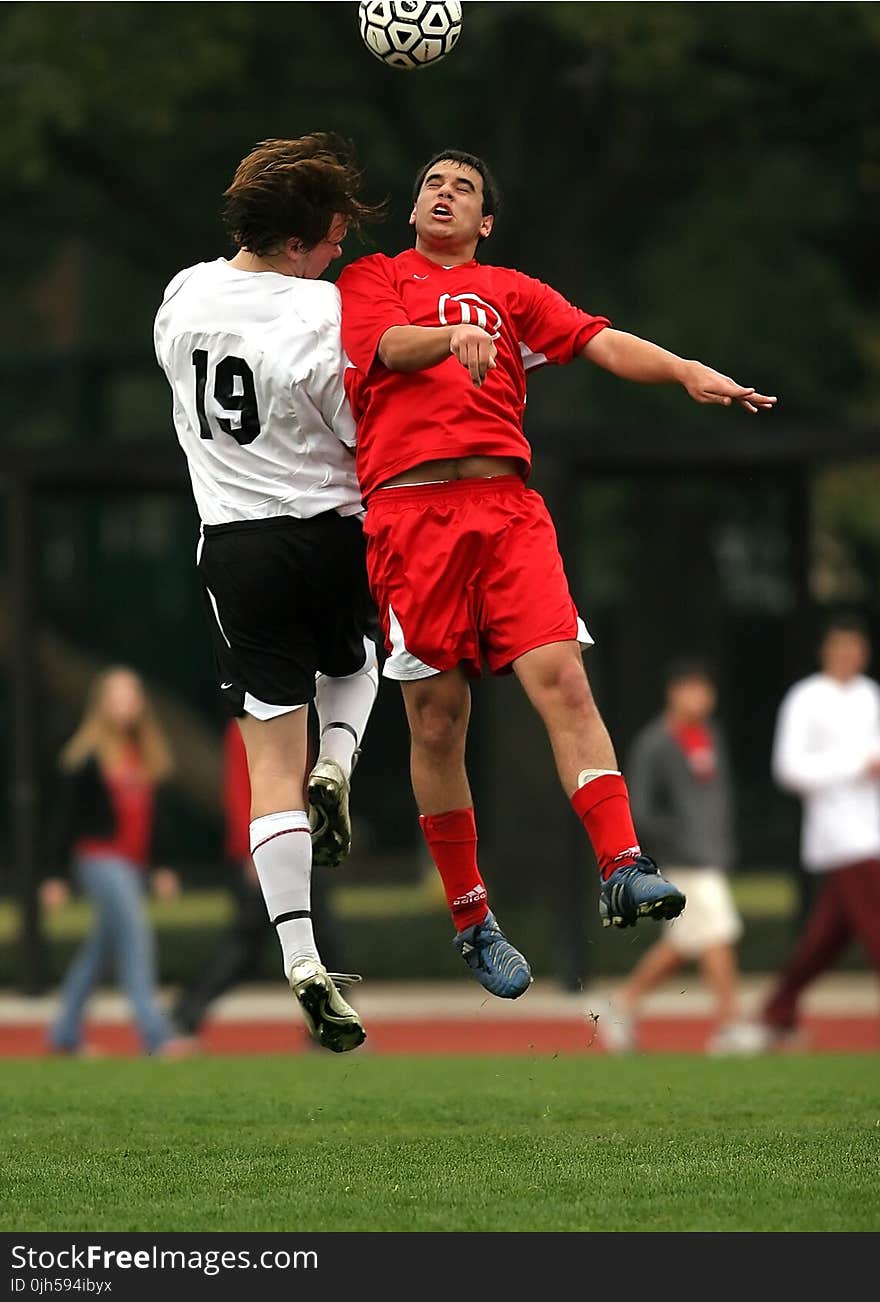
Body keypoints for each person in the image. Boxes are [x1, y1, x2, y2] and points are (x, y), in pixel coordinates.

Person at [337, 148, 776, 998]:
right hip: (410, 516)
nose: (443, 193)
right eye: (433, 183)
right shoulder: (377, 276)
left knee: (564, 682)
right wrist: (449, 337)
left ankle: (623, 863)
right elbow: (386, 346)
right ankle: (473, 919)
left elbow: (601, 341)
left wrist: (684, 370)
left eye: (463, 188)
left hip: (506, 510)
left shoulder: (512, 291)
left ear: (486, 222)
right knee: (435, 723)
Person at [154, 134, 382, 1052]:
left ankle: (299, 957)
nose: (339, 254)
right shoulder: (322, 312)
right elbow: (354, 429)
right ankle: (344, 761)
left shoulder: (181, 295)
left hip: (235, 551)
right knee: (361, 660)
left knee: (266, 772)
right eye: (332, 239)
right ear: (299, 244)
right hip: (329, 530)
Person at [601, 660, 761, 1055]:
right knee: (720, 933)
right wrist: (675, 844)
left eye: (704, 689)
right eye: (691, 688)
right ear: (673, 692)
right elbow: (642, 809)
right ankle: (729, 1024)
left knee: (684, 946)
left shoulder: (709, 735)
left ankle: (620, 1007)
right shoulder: (656, 742)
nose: (700, 697)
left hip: (708, 855)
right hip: (683, 859)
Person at [41, 667, 187, 1057]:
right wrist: (54, 876)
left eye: (131, 696)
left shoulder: (146, 754)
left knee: (100, 951)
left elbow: (155, 822)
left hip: (133, 864)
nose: (125, 705)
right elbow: (64, 822)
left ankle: (64, 1035)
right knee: (136, 938)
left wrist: (162, 867)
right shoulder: (86, 757)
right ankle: (155, 1036)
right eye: (117, 697)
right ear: (102, 705)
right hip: (99, 860)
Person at [170, 719, 343, 1041]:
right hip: (262, 852)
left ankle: (326, 1027)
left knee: (321, 940)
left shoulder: (297, 723)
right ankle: (185, 1015)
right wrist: (249, 850)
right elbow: (238, 789)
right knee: (248, 945)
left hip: (296, 848)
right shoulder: (246, 725)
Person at [759, 615, 880, 1046]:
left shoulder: (870, 697)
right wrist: (855, 766)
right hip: (839, 834)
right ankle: (776, 1011)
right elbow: (789, 769)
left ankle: (777, 1011)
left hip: (871, 830)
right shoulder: (806, 699)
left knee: (825, 940)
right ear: (827, 653)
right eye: (841, 649)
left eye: (855, 650)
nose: (848, 658)